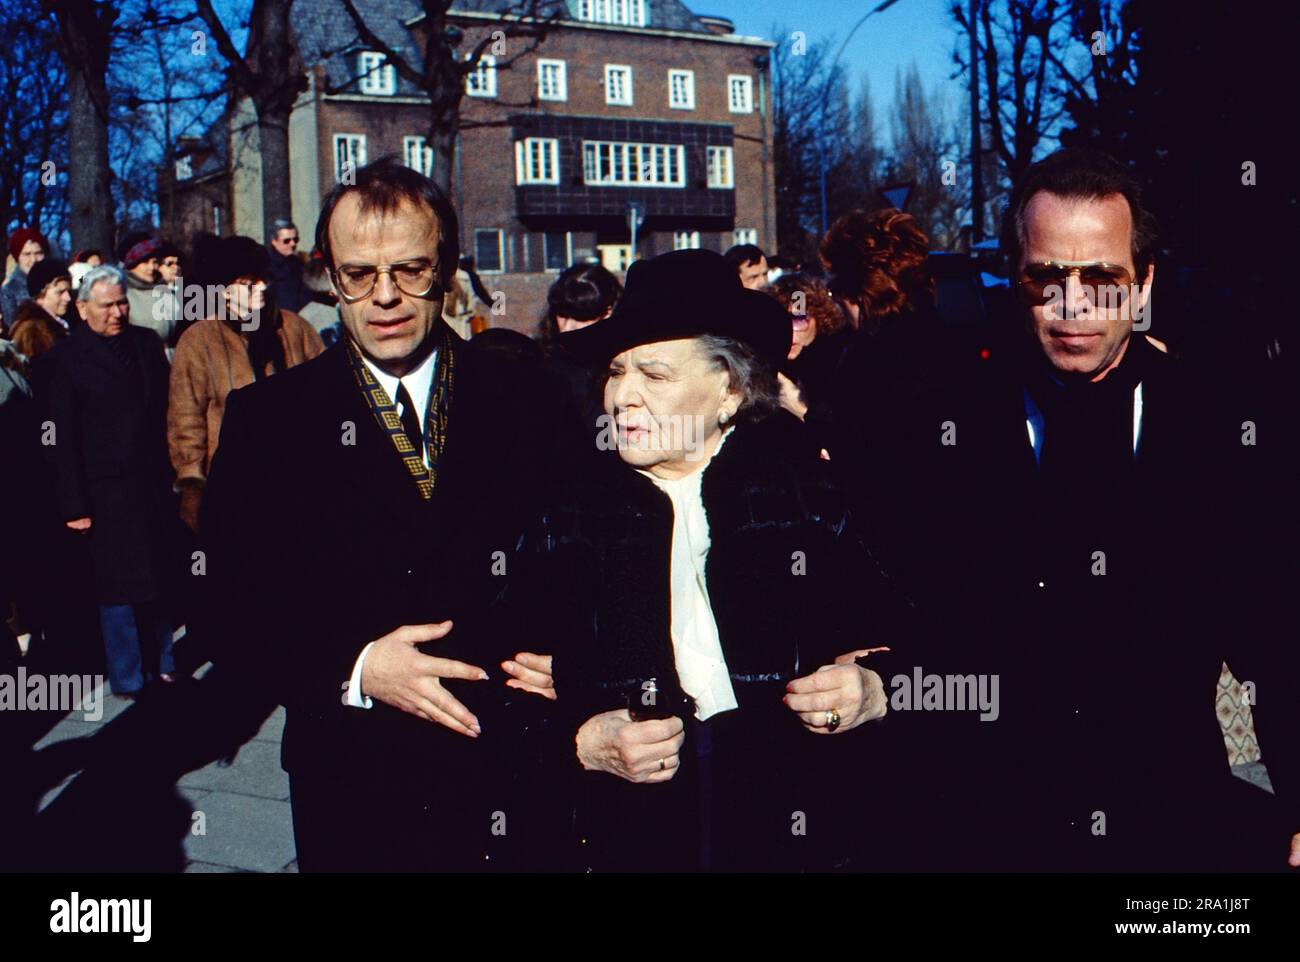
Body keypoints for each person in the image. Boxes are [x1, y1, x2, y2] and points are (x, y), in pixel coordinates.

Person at [842, 148, 1297, 871]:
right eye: (1047, 277)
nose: (1073, 305)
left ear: (1144, 282)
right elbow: (914, 612)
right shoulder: (940, 424)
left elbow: (1278, 628)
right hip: (987, 825)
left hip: (1171, 833)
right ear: (1013, 277)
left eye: (1103, 279)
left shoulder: (1220, 425)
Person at [198, 158, 581, 871]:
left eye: (410, 270)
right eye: (358, 274)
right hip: (355, 783)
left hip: (518, 772)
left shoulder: (534, 395)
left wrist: (585, 661)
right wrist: (357, 665)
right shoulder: (268, 421)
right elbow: (226, 606)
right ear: (328, 276)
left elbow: (592, 559)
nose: (385, 298)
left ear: (448, 268)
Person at [502, 250, 902, 872]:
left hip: (799, 831)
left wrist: (876, 690)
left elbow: (926, 646)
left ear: (731, 389)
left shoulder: (814, 498)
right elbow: (497, 692)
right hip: (628, 841)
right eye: (615, 371)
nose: (622, 397)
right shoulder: (563, 517)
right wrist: (579, 742)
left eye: (655, 376)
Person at [44, 266, 177, 698]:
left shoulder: (145, 344)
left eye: (122, 303)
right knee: (118, 590)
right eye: (108, 305)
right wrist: (74, 506)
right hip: (104, 494)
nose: (118, 312)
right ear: (83, 309)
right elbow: (60, 439)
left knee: (158, 578)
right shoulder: (64, 360)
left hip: (151, 485)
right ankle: (128, 675)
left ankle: (165, 663)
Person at [167, 236, 324, 534]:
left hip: (297, 477)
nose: (262, 287)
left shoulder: (293, 328)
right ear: (224, 290)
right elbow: (186, 419)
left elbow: (326, 395)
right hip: (232, 483)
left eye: (263, 278)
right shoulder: (199, 341)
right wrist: (192, 484)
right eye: (248, 282)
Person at [536, 263, 621, 428]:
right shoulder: (542, 362)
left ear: (607, 313)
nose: (567, 327)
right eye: (562, 315)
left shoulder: (626, 365)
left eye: (579, 317)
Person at [764, 272, 851, 433]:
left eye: (798, 319)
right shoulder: (768, 366)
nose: (788, 330)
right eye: (779, 319)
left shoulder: (839, 366)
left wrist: (798, 408)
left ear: (821, 319)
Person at [118, 233, 178, 350]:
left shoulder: (165, 291)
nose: (152, 267)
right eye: (145, 262)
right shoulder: (124, 294)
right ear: (132, 264)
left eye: (154, 262)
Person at [9, 258, 73, 365]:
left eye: (68, 291)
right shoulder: (31, 332)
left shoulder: (66, 322)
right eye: (60, 292)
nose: (68, 298)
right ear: (40, 295)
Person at [2, 228, 49, 333]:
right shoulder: (9, 290)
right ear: (17, 257)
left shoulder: (54, 281)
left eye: (38, 253)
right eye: (27, 254)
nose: (33, 260)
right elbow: (14, 330)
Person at [266, 219, 310, 312]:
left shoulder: (298, 263)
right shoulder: (265, 265)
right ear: (274, 241)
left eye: (295, 239)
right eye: (287, 241)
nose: (293, 244)